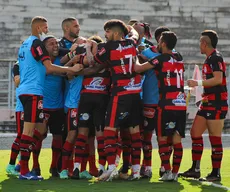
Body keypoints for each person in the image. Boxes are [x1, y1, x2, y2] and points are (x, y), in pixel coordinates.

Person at [74, 19, 142, 181]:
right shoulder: (132, 43)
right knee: (135, 132)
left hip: (120, 93)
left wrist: (87, 51)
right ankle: (137, 171)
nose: (105, 35)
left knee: (110, 129)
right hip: (135, 93)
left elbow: (92, 63)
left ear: (116, 32)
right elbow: (135, 33)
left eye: (108, 31)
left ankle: (110, 167)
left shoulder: (107, 48)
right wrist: (130, 28)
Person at [17, 16, 83, 180]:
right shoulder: (36, 44)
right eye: (45, 28)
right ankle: (24, 169)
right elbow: (49, 68)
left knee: (36, 132)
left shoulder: (24, 44)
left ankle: (26, 166)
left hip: (31, 93)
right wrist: (72, 69)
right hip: (33, 92)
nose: (47, 30)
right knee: (30, 132)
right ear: (38, 28)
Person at [135, 31, 186, 181]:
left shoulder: (160, 59)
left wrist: (136, 60)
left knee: (162, 138)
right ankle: (175, 173)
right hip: (181, 103)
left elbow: (138, 69)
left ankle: (168, 171)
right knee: (176, 140)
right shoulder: (179, 58)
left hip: (166, 103)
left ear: (163, 43)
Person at [180, 30, 228, 181]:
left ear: (204, 43)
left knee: (215, 138)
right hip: (207, 101)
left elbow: (218, 79)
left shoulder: (216, 58)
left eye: (200, 42)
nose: (199, 45)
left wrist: (198, 83)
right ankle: (195, 168)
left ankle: (216, 172)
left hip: (217, 103)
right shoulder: (209, 59)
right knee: (195, 133)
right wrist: (199, 88)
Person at [42, 36, 66, 177]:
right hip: (43, 106)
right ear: (44, 47)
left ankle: (54, 167)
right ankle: (34, 166)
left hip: (58, 107)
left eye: (56, 43)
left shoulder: (61, 60)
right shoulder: (40, 62)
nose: (55, 45)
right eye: (51, 44)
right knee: (39, 136)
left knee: (58, 137)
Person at [6, 62, 23, 176]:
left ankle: (21, 164)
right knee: (21, 135)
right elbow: (17, 82)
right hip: (22, 106)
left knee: (34, 136)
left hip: (36, 102)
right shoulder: (18, 65)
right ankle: (11, 165)